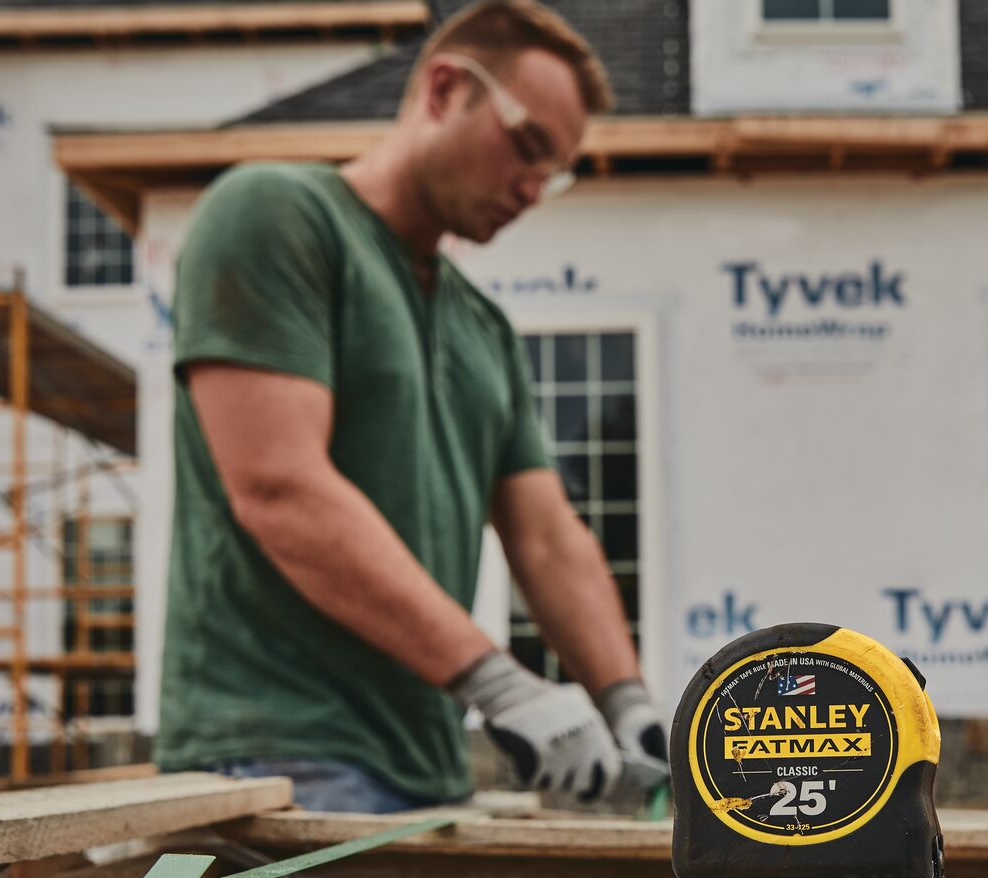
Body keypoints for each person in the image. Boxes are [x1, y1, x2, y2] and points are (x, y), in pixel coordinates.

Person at [157, 0, 666, 813]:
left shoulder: (483, 328)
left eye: (556, 171)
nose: (535, 189)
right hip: (279, 758)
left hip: (431, 771)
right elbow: (280, 489)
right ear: (444, 90)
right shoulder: (275, 218)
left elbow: (546, 537)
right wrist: (501, 682)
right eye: (528, 145)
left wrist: (627, 703)